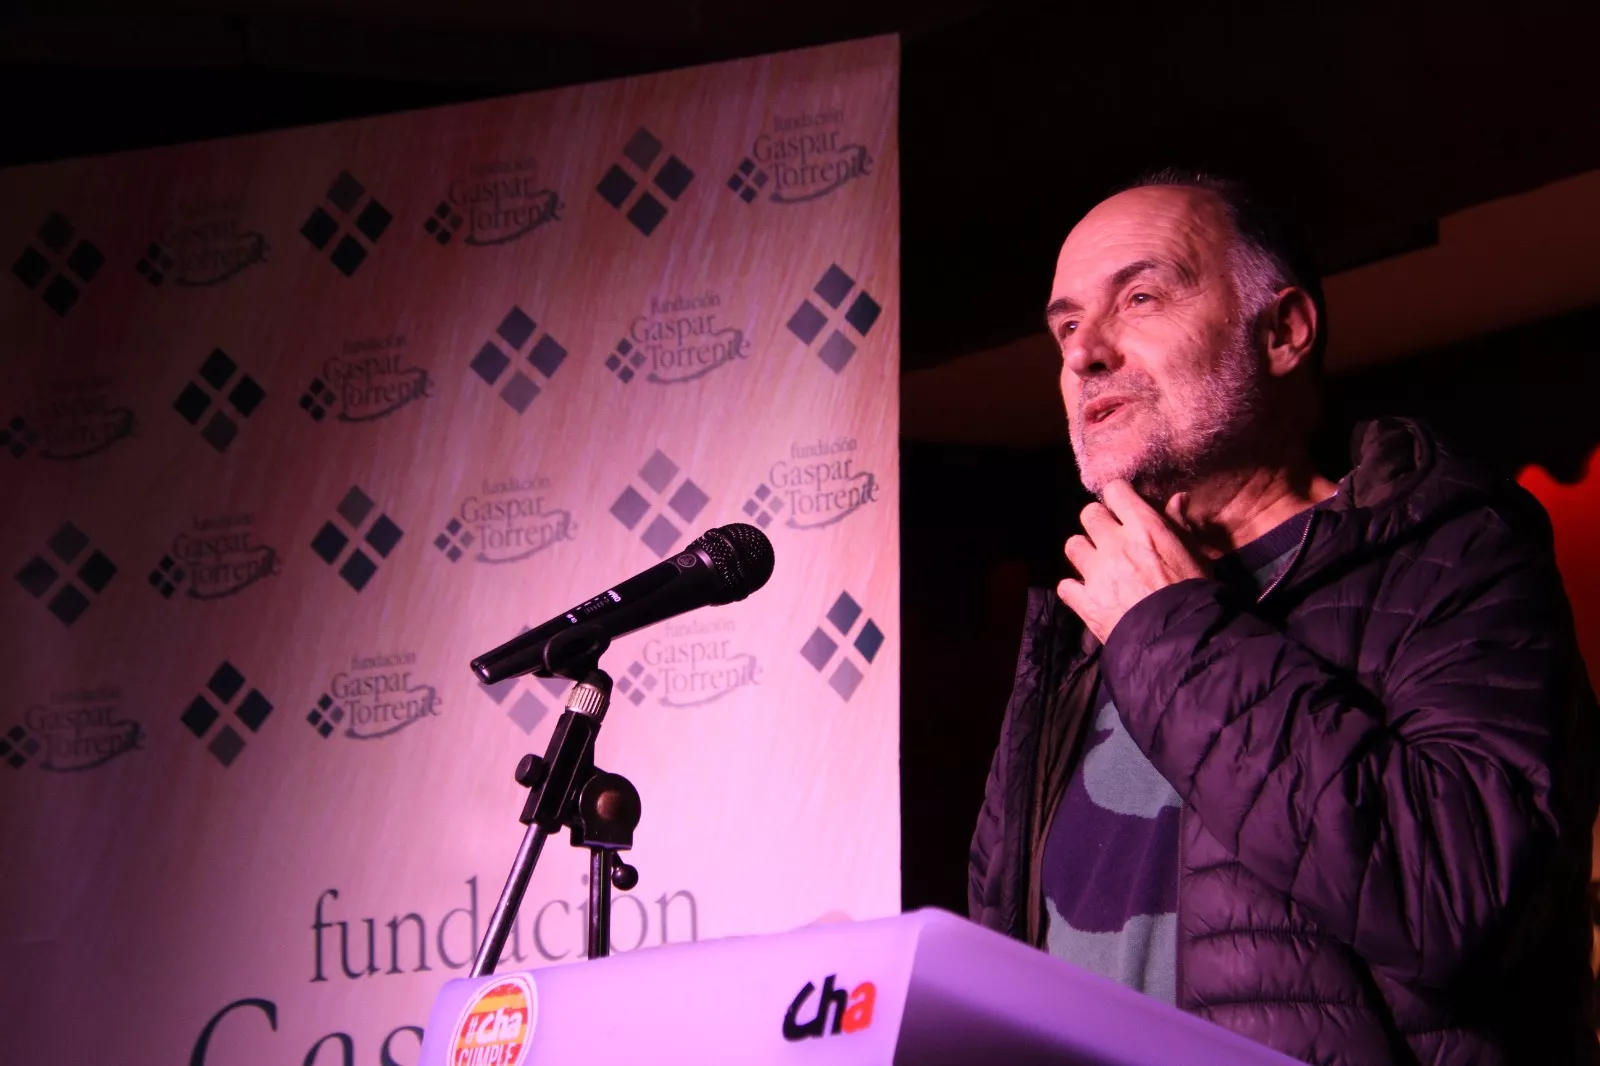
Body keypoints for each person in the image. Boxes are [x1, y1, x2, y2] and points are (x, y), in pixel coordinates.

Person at [967, 169, 1600, 1064]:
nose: (1083, 353)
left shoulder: (1450, 553)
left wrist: (1169, 628)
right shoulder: (1081, 629)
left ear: (1284, 331)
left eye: (1139, 297)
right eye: (1066, 325)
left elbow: (1458, 896)